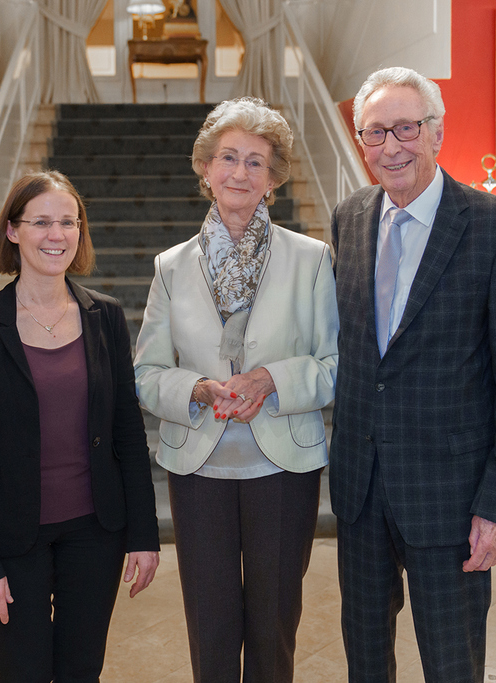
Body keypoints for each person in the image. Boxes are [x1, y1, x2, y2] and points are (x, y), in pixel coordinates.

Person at [329, 67, 496, 682]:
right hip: (361, 490)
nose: (391, 147)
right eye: (375, 133)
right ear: (360, 140)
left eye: (406, 128)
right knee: (365, 660)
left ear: (436, 132)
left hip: (450, 499)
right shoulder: (349, 218)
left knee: (452, 664)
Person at [134, 97, 339, 682]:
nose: (240, 173)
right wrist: (196, 388)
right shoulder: (170, 267)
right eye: (228, 158)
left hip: (284, 465)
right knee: (210, 626)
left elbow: (335, 364)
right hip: (198, 467)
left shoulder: (311, 258)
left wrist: (274, 378)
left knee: (274, 625)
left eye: (256, 162)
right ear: (206, 168)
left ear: (273, 179)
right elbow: (145, 374)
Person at [0, 171, 160, 683]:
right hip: (12, 539)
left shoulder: (104, 316)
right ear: (13, 232)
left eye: (67, 221)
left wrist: (143, 536)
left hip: (96, 532)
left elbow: (128, 431)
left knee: (82, 671)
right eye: (41, 222)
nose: (55, 234)